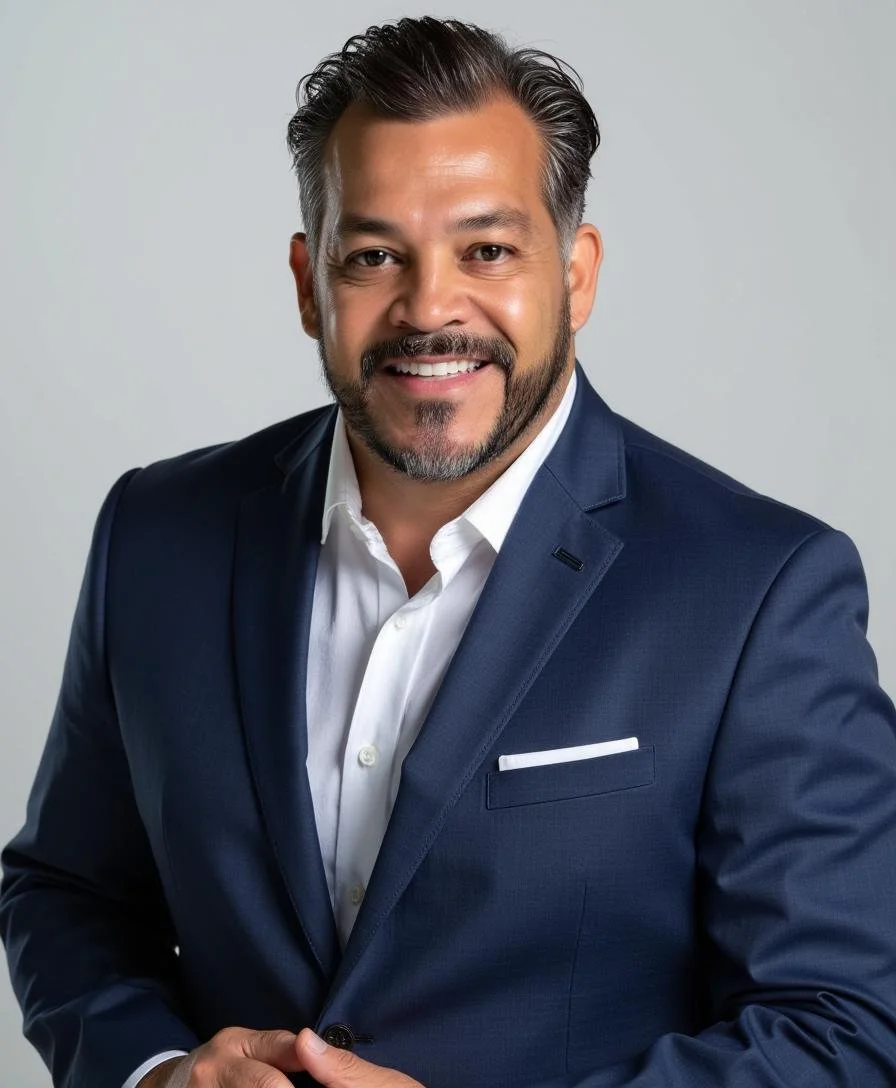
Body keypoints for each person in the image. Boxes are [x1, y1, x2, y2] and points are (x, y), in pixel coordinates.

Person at [2, 15, 896, 1088]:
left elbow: (841, 1023)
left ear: (575, 273)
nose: (430, 308)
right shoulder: (156, 535)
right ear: (306, 282)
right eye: (375, 254)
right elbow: (66, 889)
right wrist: (152, 1070)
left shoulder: (758, 590)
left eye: (486, 250)